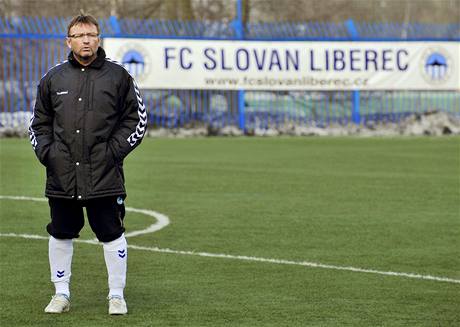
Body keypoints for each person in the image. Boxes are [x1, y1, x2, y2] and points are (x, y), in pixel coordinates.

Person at [28, 13, 147, 315]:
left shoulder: (119, 76)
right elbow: (38, 125)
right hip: (63, 175)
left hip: (104, 174)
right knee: (61, 232)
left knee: (111, 232)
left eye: (91, 35)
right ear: (68, 41)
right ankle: (61, 294)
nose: (85, 40)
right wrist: (49, 155)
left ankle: (116, 296)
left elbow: (137, 120)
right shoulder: (53, 78)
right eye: (79, 35)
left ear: (98, 39)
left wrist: (112, 152)